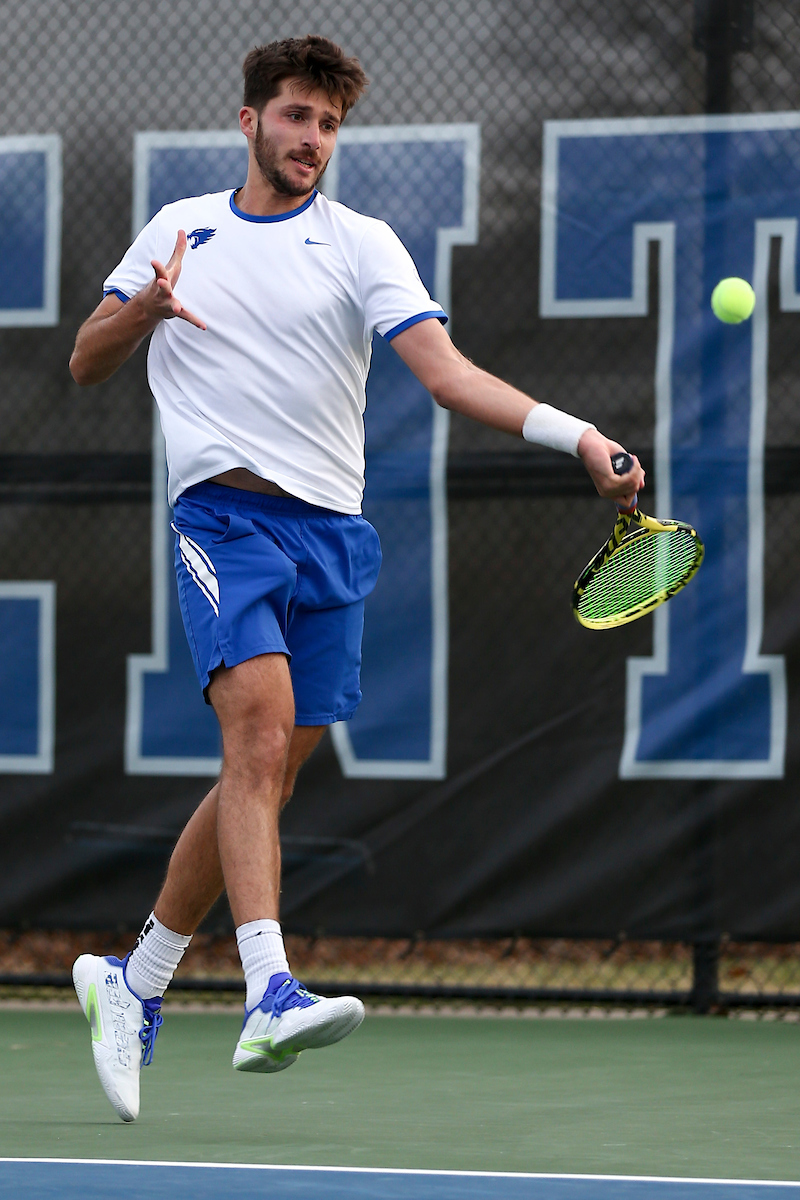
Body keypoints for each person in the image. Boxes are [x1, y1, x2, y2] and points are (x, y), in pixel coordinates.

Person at [68, 34, 644, 1123]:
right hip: (221, 518)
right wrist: (144, 308)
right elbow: (87, 360)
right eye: (293, 118)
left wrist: (574, 435)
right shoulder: (178, 230)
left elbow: (444, 373)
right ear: (250, 122)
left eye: (327, 126)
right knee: (255, 735)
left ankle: (134, 982)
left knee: (272, 772)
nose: (310, 141)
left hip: (330, 533)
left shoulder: (360, 242)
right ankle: (267, 991)